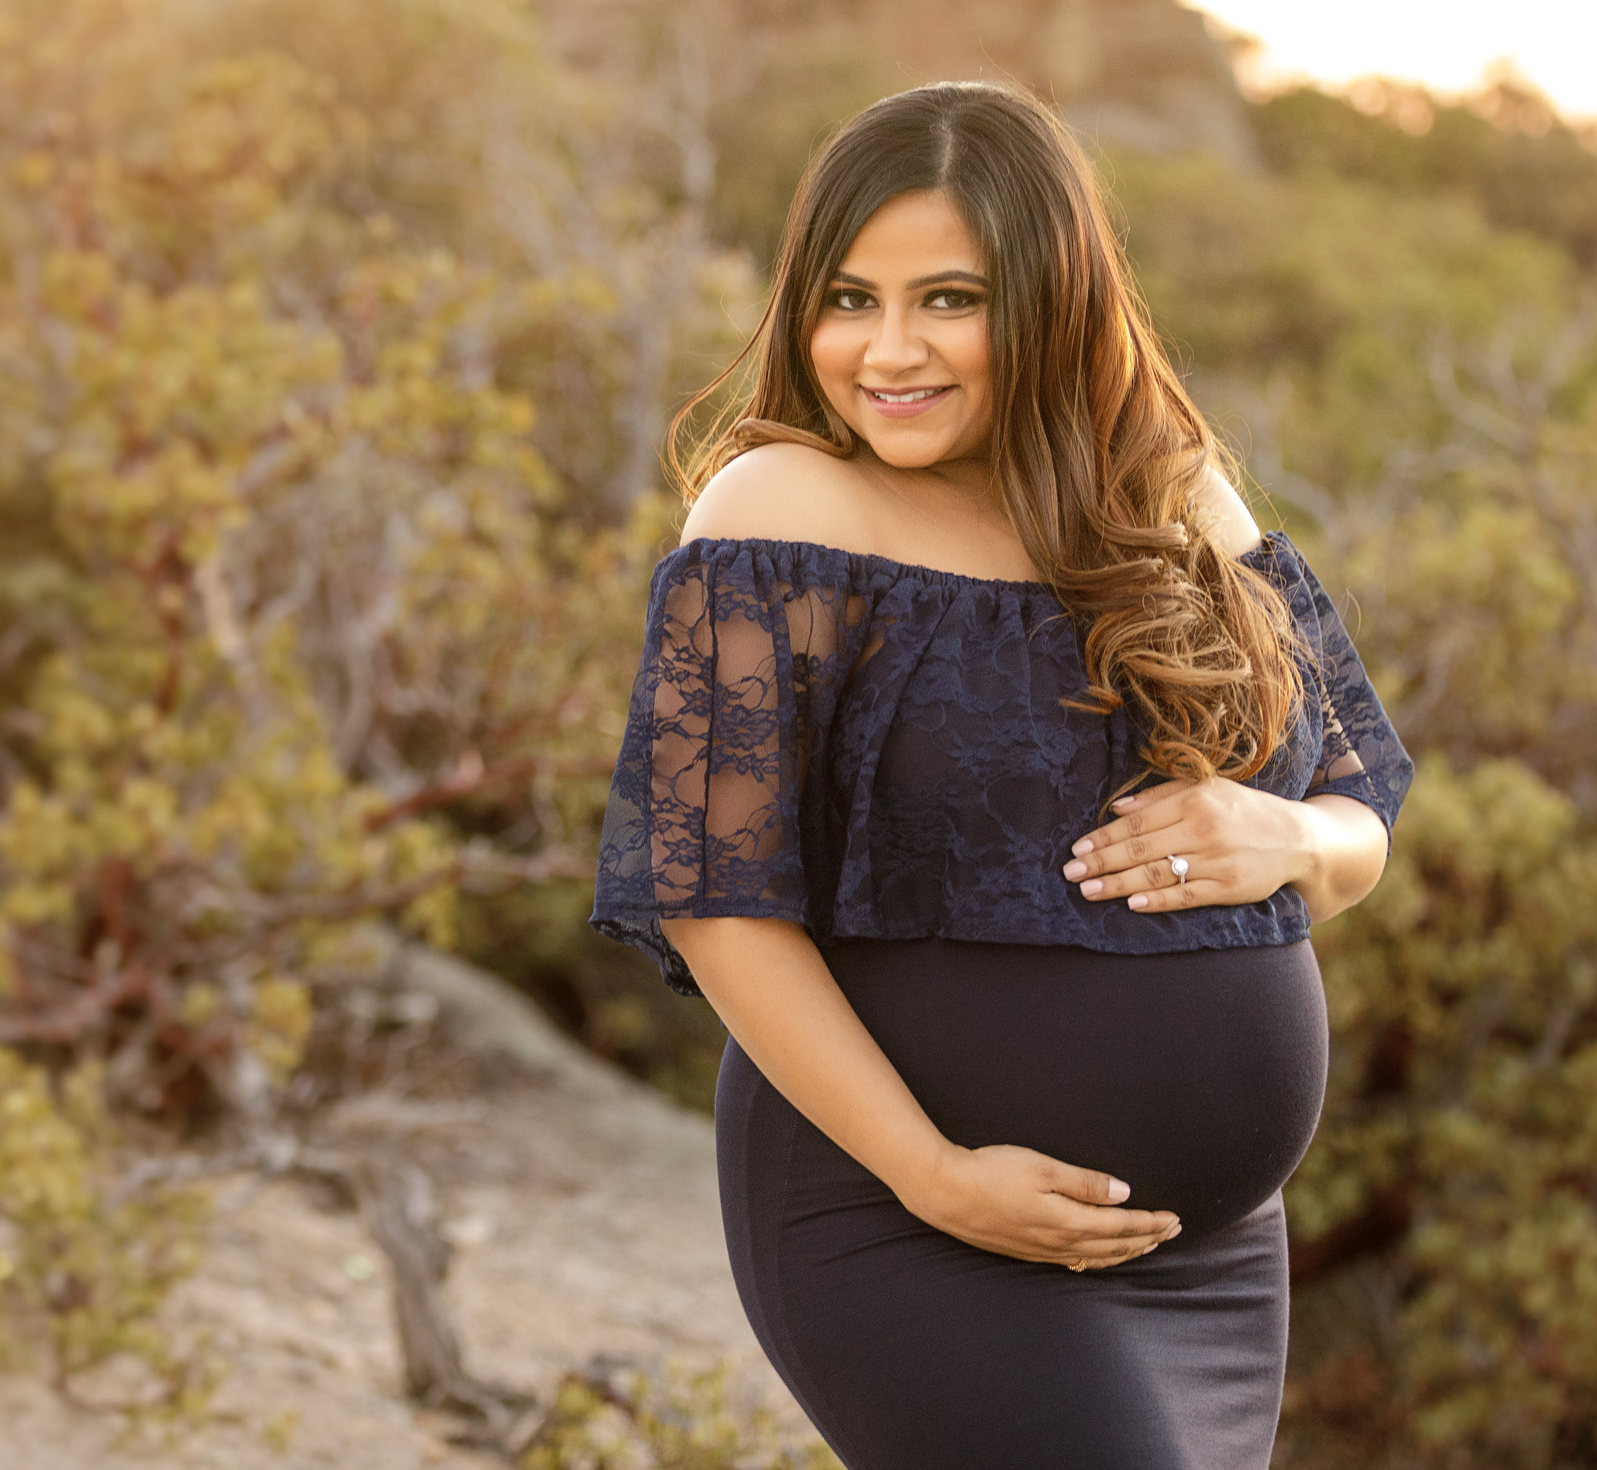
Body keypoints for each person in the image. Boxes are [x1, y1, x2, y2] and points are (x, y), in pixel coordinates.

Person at [587, 81, 1414, 1470]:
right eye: (848, 299)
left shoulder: (1173, 492)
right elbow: (712, 896)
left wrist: (1280, 832)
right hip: (910, 1216)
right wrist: (934, 1176)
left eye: (949, 300)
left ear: (1051, 298)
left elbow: (1357, 805)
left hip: (1208, 1258)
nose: (888, 350)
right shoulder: (782, 513)